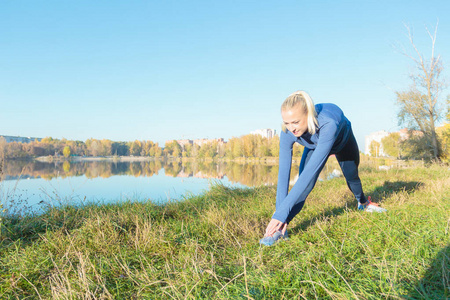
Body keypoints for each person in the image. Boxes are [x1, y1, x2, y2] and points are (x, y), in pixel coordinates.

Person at [260, 91, 386, 246]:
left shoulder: (328, 124)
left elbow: (311, 171)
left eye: (296, 122)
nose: (291, 128)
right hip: (314, 145)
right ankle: (280, 231)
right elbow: (283, 176)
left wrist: (280, 214)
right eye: (286, 123)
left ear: (308, 115)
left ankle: (363, 203)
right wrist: (280, 216)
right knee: (304, 186)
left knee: (351, 176)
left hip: (343, 142)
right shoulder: (287, 132)